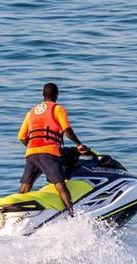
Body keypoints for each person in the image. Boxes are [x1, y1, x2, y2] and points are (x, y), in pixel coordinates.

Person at [17, 83, 88, 216]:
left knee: (25, 187)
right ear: (56, 95)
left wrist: (34, 146)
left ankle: (15, 213)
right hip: (49, 152)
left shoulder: (31, 112)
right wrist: (79, 144)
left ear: (43, 95)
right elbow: (67, 130)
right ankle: (72, 215)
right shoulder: (57, 109)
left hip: (31, 152)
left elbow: (21, 137)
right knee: (60, 185)